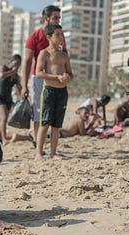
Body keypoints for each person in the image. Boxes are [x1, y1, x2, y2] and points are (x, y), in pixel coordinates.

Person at [21, 5, 63, 148]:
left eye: (59, 17)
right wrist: (24, 85)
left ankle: (46, 144)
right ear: (46, 18)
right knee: (39, 112)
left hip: (57, 80)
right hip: (38, 79)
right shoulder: (34, 37)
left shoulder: (59, 36)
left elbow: (65, 56)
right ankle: (39, 146)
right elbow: (26, 63)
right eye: (55, 17)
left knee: (54, 112)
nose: (58, 20)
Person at [35, 24, 72, 160]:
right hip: (49, 91)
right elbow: (39, 73)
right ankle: (38, 153)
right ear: (49, 37)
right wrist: (57, 77)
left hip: (62, 92)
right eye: (58, 34)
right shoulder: (44, 53)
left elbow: (70, 73)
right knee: (45, 123)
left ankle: (53, 152)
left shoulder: (64, 55)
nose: (61, 37)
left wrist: (67, 77)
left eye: (62, 34)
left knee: (56, 125)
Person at [0, 55, 22, 144]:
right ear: (11, 61)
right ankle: (4, 138)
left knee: (4, 119)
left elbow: (19, 88)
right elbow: (1, 75)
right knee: (3, 117)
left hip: (8, 98)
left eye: (19, 65)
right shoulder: (4, 68)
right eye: (16, 63)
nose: (17, 66)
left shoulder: (15, 76)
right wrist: (12, 71)